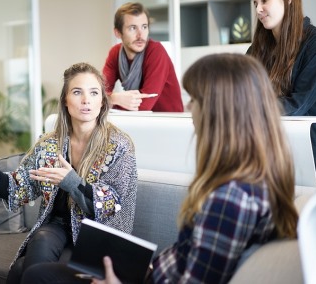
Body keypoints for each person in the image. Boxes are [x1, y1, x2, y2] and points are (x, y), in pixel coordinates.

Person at [22, 54, 299, 284]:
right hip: (151, 272)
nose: (189, 108)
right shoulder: (252, 181)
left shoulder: (230, 199)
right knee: (35, 271)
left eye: (195, 100)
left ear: (220, 111)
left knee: (38, 277)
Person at [0, 62, 138, 284]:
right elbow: (19, 187)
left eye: (94, 93)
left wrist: (70, 181)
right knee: (40, 239)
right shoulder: (49, 144)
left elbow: (111, 204)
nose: (86, 100)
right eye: (77, 92)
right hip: (58, 226)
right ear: (66, 101)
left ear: (102, 101)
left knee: (23, 269)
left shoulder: (119, 145)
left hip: (99, 235)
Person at [247, 0, 316, 172]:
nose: (258, 9)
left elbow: (298, 104)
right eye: (255, 3)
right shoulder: (256, 49)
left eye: (264, 0)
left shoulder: (314, 43)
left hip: (307, 151)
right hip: (266, 147)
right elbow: (242, 93)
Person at [102, 2, 183, 112]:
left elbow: (144, 105)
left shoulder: (156, 51)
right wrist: (114, 98)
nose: (140, 35)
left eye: (144, 27)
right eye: (132, 28)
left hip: (168, 122)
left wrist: (111, 100)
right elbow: (99, 95)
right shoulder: (115, 53)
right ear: (118, 33)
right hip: (138, 122)